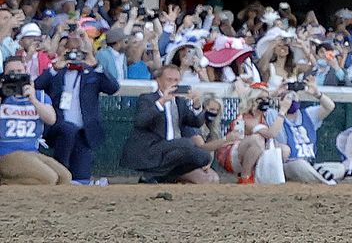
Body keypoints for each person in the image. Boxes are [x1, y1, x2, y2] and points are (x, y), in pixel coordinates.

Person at [34, 37, 118, 184]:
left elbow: (112, 88)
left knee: (81, 178)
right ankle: (60, 172)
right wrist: (54, 67)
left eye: (78, 52)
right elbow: (37, 86)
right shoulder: (56, 72)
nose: (74, 56)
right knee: (68, 132)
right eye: (70, 51)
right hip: (59, 129)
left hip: (83, 132)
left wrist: (96, 64)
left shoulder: (92, 73)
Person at [122, 64, 216, 184]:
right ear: (158, 81)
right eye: (169, 80)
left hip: (174, 148)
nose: (173, 83)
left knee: (204, 157)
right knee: (187, 143)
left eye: (176, 80)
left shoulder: (180, 102)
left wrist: (197, 105)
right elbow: (141, 121)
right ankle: (153, 175)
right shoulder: (147, 98)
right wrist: (162, 102)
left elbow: (196, 122)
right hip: (153, 148)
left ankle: (160, 176)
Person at [0, 57, 68, 185]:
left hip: (31, 152)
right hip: (7, 152)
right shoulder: (2, 98)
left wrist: (33, 100)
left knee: (64, 177)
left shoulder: (39, 96)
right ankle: (6, 183)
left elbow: (51, 119)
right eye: (11, 73)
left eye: (19, 71)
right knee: (49, 178)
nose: (16, 76)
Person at [275, 81, 336, 184]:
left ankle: (320, 177)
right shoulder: (275, 116)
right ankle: (325, 182)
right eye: (288, 96)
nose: (292, 99)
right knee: (299, 165)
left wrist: (317, 94)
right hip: (291, 163)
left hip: (311, 163)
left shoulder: (308, 114)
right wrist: (276, 93)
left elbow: (330, 107)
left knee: (340, 167)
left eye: (294, 96)